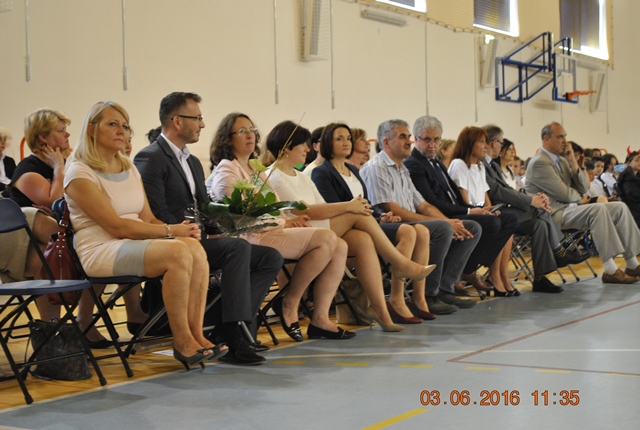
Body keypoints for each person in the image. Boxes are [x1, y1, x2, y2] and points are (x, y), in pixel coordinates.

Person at [65, 101, 226, 369]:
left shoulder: (128, 167)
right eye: (112, 124)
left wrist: (181, 233)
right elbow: (116, 227)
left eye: (125, 125)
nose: (121, 131)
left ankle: (196, 335)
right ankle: (181, 340)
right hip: (101, 249)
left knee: (193, 247)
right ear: (91, 129)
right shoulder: (79, 172)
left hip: (133, 242)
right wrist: (171, 231)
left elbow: (148, 219)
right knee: (178, 251)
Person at [134, 93, 282, 366]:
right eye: (198, 118)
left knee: (269, 257)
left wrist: (231, 224)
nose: (202, 124)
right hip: (172, 241)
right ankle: (235, 335)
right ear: (177, 121)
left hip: (196, 240)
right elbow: (153, 211)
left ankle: (230, 327)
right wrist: (185, 230)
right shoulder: (150, 157)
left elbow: (203, 207)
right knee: (237, 249)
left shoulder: (191, 161)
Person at [269, 121, 434, 327]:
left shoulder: (301, 176)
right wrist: (349, 207)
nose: (307, 149)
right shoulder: (275, 176)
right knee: (359, 215)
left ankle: (380, 311)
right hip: (301, 233)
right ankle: (400, 264)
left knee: (363, 239)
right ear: (287, 148)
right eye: (303, 144)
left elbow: (321, 206)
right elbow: (305, 210)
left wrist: (356, 208)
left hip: (319, 227)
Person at [209, 112, 359, 338]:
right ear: (227, 139)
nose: (250, 135)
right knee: (327, 238)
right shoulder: (226, 170)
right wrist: (283, 221)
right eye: (242, 131)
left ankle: (320, 319)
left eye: (252, 130)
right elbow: (240, 217)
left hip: (270, 231)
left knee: (340, 246)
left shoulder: (253, 168)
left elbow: (272, 206)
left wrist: (287, 220)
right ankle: (291, 302)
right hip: (251, 237)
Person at [360, 119, 481, 314]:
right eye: (403, 137)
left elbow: (423, 205)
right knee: (442, 228)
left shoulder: (402, 168)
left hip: (410, 223)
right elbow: (392, 209)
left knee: (471, 227)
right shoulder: (377, 167)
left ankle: (444, 289)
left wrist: (451, 221)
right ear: (386, 142)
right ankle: (429, 294)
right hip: (390, 226)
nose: (409, 141)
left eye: (408, 136)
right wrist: (444, 223)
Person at [405, 116, 518, 296]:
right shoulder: (414, 165)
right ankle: (466, 271)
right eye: (427, 139)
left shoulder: (435, 162)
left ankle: (464, 272)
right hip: (440, 215)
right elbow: (431, 202)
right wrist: (469, 210)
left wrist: (478, 209)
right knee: (488, 224)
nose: (432, 145)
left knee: (509, 219)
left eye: (436, 139)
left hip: (454, 210)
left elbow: (453, 194)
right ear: (416, 139)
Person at [525, 122, 640, 284]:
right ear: (546, 139)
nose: (564, 141)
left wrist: (573, 163)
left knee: (620, 208)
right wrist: (579, 197)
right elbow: (565, 194)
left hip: (570, 209)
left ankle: (632, 263)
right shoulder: (540, 162)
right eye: (559, 137)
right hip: (552, 214)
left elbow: (584, 187)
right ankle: (610, 269)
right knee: (598, 210)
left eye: (565, 136)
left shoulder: (562, 160)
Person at [482, 124, 589, 293]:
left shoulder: (492, 165)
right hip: (495, 212)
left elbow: (507, 190)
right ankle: (559, 250)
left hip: (506, 210)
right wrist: (531, 201)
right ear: (494, 143)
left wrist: (532, 198)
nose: (502, 147)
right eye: (502, 143)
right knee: (540, 209)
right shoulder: (482, 164)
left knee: (539, 225)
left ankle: (540, 278)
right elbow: (497, 192)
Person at [447, 126, 520, 296]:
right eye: (481, 142)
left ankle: (480, 268)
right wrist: (480, 211)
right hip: (466, 212)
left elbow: (485, 194)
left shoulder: (479, 166)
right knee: (493, 223)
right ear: (469, 144)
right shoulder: (459, 164)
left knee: (510, 219)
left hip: (479, 210)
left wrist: (490, 209)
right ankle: (470, 268)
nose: (486, 146)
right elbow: (463, 199)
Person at [616, 151, 640, 228]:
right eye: (637, 160)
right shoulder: (627, 177)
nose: (639, 162)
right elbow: (632, 195)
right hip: (632, 208)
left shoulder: (637, 175)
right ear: (629, 163)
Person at [0, 127, 16, 194]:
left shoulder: (10, 160)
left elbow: (16, 178)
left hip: (11, 191)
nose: (3, 143)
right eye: (0, 139)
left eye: (4, 140)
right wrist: (5, 186)